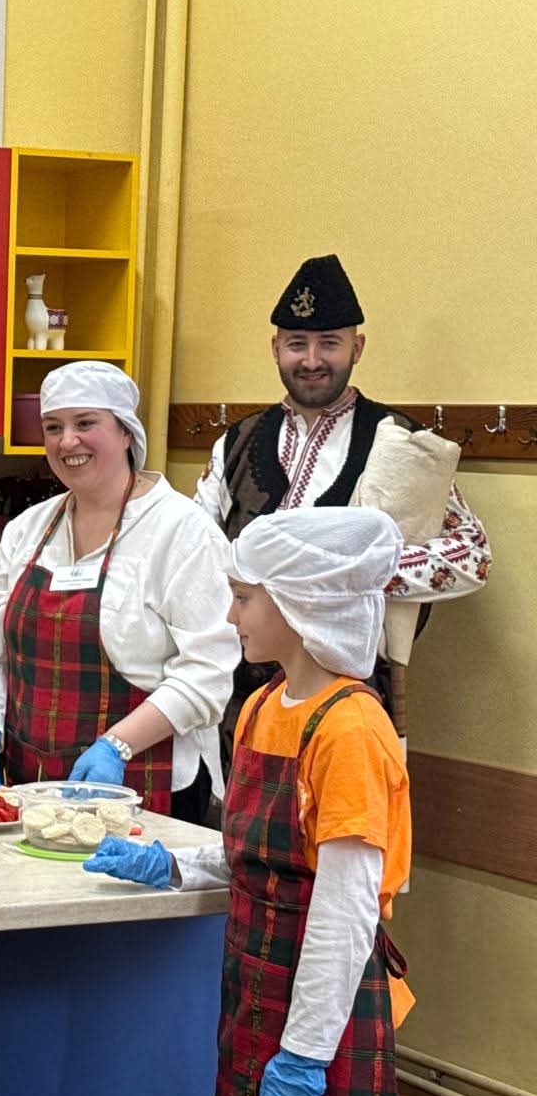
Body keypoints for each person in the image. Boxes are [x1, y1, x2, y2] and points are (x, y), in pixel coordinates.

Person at [85, 506, 413, 1096]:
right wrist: (172, 864)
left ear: (301, 604)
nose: (230, 616)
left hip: (319, 1008)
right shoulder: (265, 706)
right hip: (252, 993)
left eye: (242, 597)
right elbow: (258, 853)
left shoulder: (351, 732)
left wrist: (307, 1050)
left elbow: (345, 909)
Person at [194, 253, 490, 746]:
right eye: (297, 344)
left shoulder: (400, 443)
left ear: (357, 347)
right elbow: (196, 550)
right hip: (238, 697)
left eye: (329, 343)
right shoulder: (235, 442)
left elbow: (473, 555)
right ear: (275, 349)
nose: (312, 360)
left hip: (347, 700)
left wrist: (355, 573)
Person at [0, 362, 238, 822]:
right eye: (53, 427)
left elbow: (208, 674)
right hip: (31, 787)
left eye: (85, 423)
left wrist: (116, 746)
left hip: (147, 784)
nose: (68, 441)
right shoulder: (27, 530)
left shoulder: (183, 532)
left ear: (126, 432)